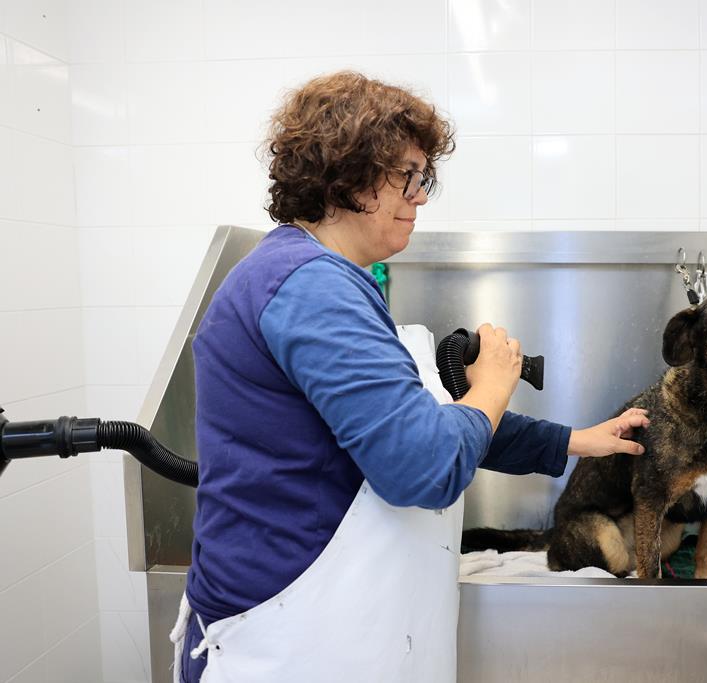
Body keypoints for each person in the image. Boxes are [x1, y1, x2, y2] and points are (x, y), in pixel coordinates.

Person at [170, 71, 649, 683]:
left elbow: (422, 423)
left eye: (425, 179)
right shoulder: (312, 288)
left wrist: (577, 441)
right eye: (408, 175)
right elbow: (423, 464)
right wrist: (494, 382)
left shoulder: (318, 277)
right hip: (287, 636)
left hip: (325, 625)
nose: (420, 196)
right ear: (347, 172)